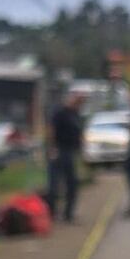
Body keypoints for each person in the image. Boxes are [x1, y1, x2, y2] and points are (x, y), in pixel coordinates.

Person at [47, 91, 84, 224]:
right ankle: (52, 213)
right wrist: (52, 147)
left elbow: (78, 132)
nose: (78, 104)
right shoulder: (59, 112)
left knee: (72, 184)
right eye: (77, 101)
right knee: (54, 185)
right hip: (59, 150)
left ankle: (68, 213)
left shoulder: (75, 114)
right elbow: (52, 129)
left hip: (70, 151)